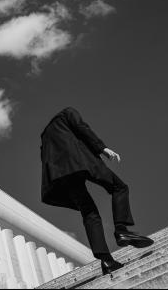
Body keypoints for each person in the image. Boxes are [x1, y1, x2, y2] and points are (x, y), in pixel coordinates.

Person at [40, 106, 153, 275]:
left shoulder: (45, 136)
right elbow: (81, 127)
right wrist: (102, 148)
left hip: (61, 175)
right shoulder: (67, 113)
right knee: (119, 187)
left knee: (89, 212)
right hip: (82, 161)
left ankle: (106, 260)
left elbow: (45, 160)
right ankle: (121, 230)